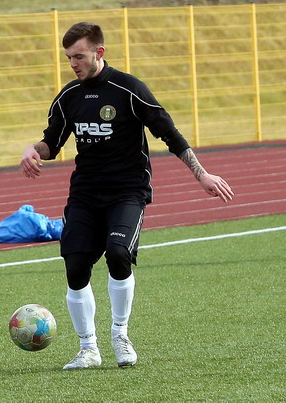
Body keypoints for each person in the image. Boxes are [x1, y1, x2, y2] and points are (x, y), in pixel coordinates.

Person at [20, 22, 233, 370]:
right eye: (68, 57)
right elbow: (52, 143)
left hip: (127, 192)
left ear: (99, 52)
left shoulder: (129, 89)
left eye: (79, 56)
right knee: (75, 265)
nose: (73, 64)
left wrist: (202, 174)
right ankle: (88, 348)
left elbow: (170, 133)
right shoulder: (68, 97)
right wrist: (33, 149)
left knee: (118, 254)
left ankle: (120, 334)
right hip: (85, 194)